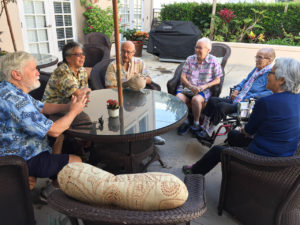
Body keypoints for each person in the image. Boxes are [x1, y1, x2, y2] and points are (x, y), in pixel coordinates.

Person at [182, 57, 300, 175]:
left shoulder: (266, 102)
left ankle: (194, 171)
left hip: (264, 159)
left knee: (218, 150)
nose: (267, 76)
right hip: (286, 156)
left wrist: (246, 130)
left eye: (271, 73)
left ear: (282, 80)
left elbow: (248, 132)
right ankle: (231, 161)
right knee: (233, 134)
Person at [0, 51, 87, 191]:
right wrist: (74, 111)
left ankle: (53, 174)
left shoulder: (9, 90)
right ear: (17, 74)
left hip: (22, 147)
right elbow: (54, 130)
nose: (38, 73)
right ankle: (50, 191)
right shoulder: (15, 101)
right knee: (76, 163)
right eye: (34, 69)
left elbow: (43, 107)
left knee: (62, 138)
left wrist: (69, 105)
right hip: (20, 158)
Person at [196, 48, 275, 144]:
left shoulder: (271, 74)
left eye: (260, 57)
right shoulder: (257, 68)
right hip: (238, 98)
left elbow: (270, 92)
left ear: (270, 59)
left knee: (221, 106)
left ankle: (209, 133)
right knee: (213, 100)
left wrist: (251, 96)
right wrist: (237, 89)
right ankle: (204, 127)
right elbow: (245, 80)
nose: (257, 60)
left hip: (245, 105)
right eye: (256, 57)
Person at [105, 41, 165, 145]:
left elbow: (149, 79)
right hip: (120, 96)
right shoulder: (113, 66)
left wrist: (141, 80)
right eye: (123, 51)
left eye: (128, 52)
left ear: (134, 52)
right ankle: (124, 139)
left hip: (138, 95)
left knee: (147, 110)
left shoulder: (140, 62)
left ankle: (152, 135)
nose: (125, 55)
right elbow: (109, 86)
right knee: (123, 117)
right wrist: (127, 84)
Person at [42, 42, 92, 154]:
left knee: (92, 119)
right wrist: (83, 92)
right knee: (88, 123)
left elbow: (84, 94)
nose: (82, 56)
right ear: (68, 58)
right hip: (53, 109)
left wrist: (83, 92)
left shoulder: (82, 71)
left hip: (72, 105)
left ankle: (83, 147)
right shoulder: (62, 72)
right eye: (78, 54)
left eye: (83, 54)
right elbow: (79, 94)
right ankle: (81, 149)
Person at [176, 37, 223, 136]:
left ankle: (196, 123)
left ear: (208, 50)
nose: (197, 50)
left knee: (196, 100)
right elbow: (182, 77)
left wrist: (205, 86)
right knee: (179, 98)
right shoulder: (190, 59)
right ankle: (184, 121)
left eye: (200, 48)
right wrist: (190, 86)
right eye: (196, 47)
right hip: (188, 87)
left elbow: (218, 79)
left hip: (203, 89)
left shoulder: (213, 61)